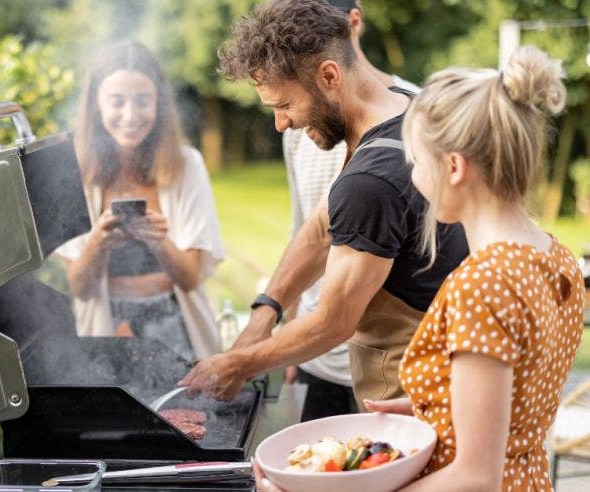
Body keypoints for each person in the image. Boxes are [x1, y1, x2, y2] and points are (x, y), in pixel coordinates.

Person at [254, 46, 587, 492]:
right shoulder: (554, 257)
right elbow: (518, 397)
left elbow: (475, 476)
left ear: (453, 167)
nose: (412, 179)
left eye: (417, 162)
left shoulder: (482, 284)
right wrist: (431, 409)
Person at [179, 0, 468, 405]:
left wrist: (236, 365)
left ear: (329, 75)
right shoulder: (407, 107)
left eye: (283, 105)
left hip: (418, 395)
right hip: (449, 377)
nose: (281, 124)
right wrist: (265, 314)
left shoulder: (370, 180)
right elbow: (319, 230)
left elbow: (333, 323)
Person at [280, 0, 420, 422]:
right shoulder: (299, 118)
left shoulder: (421, 113)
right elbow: (305, 225)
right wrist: (282, 327)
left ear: (353, 23)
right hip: (314, 359)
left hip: (397, 369)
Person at [56, 40, 225, 361]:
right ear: (96, 104)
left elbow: (189, 279)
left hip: (177, 328)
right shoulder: (73, 172)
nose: (130, 115)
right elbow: (79, 288)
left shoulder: (187, 165)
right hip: (106, 331)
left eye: (142, 101)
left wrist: (160, 241)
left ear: (158, 102)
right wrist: (98, 244)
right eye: (117, 101)